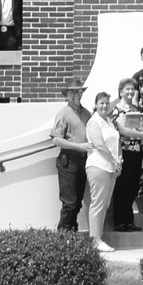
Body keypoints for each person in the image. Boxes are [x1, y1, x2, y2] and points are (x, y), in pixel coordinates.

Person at [78, 89, 123, 251]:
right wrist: (113, 161)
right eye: (101, 103)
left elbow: (116, 143)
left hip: (111, 168)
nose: (104, 106)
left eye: (106, 103)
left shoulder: (109, 121)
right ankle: (95, 240)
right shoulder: (93, 122)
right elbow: (99, 144)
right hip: (98, 166)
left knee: (104, 204)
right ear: (96, 105)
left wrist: (119, 160)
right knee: (97, 203)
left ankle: (99, 237)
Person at [49, 83, 92, 234]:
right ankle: (64, 233)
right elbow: (56, 140)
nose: (76, 95)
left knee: (77, 201)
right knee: (69, 202)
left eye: (79, 92)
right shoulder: (63, 113)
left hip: (83, 160)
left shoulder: (87, 113)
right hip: (68, 160)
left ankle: (72, 232)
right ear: (67, 95)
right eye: (72, 92)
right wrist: (78, 146)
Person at [111, 79, 143, 233]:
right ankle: (120, 221)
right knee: (122, 187)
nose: (130, 92)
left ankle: (129, 220)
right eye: (127, 89)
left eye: (132, 89)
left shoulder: (136, 109)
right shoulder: (117, 109)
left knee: (133, 187)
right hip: (124, 152)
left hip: (137, 152)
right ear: (120, 91)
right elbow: (123, 130)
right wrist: (142, 135)